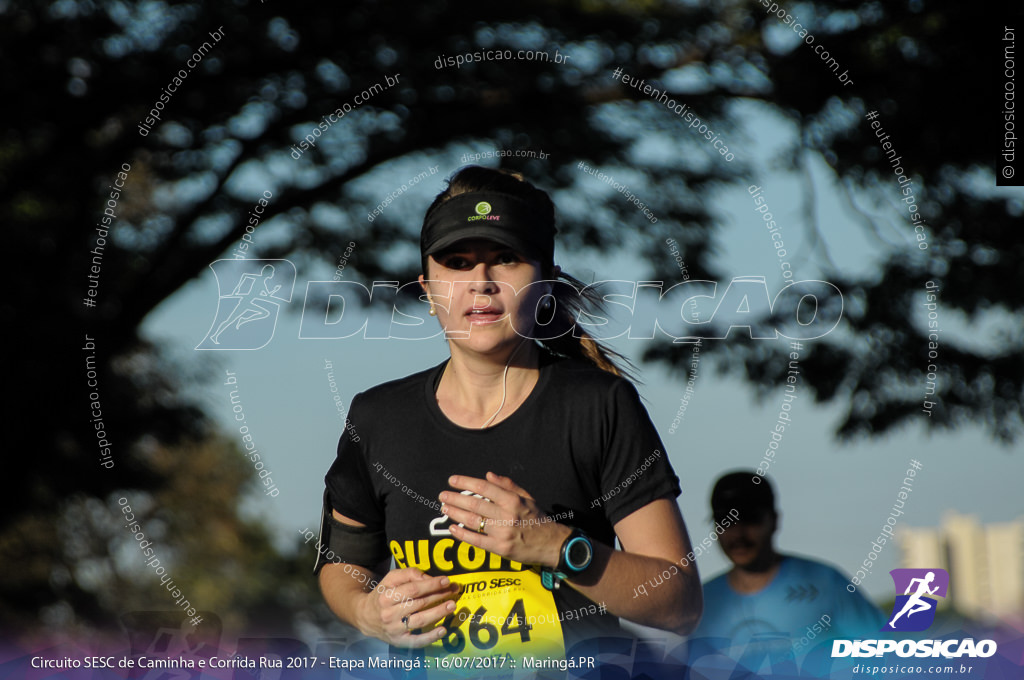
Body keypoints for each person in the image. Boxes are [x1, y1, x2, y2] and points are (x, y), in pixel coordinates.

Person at [316, 166, 702, 669]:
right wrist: (369, 612)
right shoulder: (377, 418)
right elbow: (342, 565)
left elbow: (680, 605)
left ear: (544, 283)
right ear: (428, 290)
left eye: (506, 259)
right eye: (456, 263)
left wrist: (556, 546)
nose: (481, 282)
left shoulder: (598, 405)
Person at [688, 471, 883, 674]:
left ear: (774, 520)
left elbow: (885, 654)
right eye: (725, 521)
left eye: (749, 519)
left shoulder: (825, 582)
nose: (738, 534)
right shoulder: (699, 604)